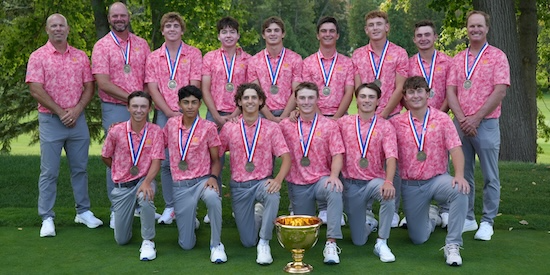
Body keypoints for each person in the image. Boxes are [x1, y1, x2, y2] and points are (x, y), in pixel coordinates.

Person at [26, 13, 103, 237]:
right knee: (49, 171)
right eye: (53, 26)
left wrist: (77, 110)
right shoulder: (38, 56)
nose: (58, 29)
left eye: (61, 25)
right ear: (48, 30)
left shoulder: (80, 56)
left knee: (80, 169)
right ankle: (47, 217)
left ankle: (83, 211)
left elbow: (89, 86)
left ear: (68, 30)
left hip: (77, 120)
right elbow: (35, 89)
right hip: (51, 120)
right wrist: (61, 112)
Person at [447, 10, 510, 241]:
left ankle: (487, 221)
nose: (475, 30)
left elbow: (500, 90)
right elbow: (451, 91)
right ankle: (469, 218)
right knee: (464, 173)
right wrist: (463, 118)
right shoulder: (458, 58)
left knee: (490, 175)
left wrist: (476, 118)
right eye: (472, 26)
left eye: (479, 26)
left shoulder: (498, 56)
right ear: (467, 28)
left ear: (487, 28)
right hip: (461, 125)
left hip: (486, 124)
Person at [392, 76, 469, 266]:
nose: (416, 95)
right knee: (418, 238)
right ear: (405, 97)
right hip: (411, 185)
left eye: (420, 91)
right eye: (411, 92)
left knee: (460, 190)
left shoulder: (442, 119)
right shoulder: (396, 123)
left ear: (428, 94)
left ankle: (453, 245)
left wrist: (459, 175)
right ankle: (432, 216)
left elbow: (456, 149)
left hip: (438, 180)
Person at [92, 1, 151, 228]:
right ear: (109, 19)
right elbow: (103, 82)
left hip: (141, 109)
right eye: (114, 16)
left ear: (128, 18)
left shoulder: (142, 45)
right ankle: (117, 208)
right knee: (117, 157)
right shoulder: (102, 46)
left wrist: (143, 103)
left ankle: (139, 205)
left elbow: (149, 79)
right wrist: (133, 100)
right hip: (115, 108)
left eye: (122, 15)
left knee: (141, 154)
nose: (119, 19)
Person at [218, 83, 291, 265]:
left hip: (261, 183)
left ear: (260, 101)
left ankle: (265, 242)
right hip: (240, 187)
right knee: (248, 241)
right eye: (246, 98)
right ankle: (258, 215)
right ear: (240, 102)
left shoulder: (271, 128)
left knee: (272, 194)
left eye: (254, 98)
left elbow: (286, 157)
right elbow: (216, 154)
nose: (250, 101)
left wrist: (278, 179)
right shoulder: (230, 128)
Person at [352, 10, 408, 227]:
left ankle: (392, 209)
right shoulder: (358, 54)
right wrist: (369, 113)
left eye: (379, 24)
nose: (375, 28)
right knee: (365, 159)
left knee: (393, 162)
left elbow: (400, 87)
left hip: (390, 116)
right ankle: (366, 210)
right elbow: (358, 87)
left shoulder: (399, 53)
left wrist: (382, 114)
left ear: (387, 27)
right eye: (371, 25)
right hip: (364, 119)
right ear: (366, 30)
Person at [145, 12, 203, 225]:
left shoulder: (194, 54)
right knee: (167, 162)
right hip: (164, 115)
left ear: (182, 30)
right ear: (162, 30)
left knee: (190, 158)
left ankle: (190, 206)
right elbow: (152, 87)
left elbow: (195, 84)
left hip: (188, 113)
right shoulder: (153, 57)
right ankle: (170, 206)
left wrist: (185, 109)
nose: (171, 29)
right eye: (167, 26)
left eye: (176, 26)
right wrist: (169, 112)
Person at [279, 82, 345, 265]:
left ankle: (331, 243)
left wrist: (333, 176)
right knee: (304, 233)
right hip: (298, 184)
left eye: (310, 98)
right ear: (296, 100)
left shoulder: (329, 125)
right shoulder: (286, 125)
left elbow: (337, 154)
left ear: (317, 99)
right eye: (302, 98)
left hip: (321, 180)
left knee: (334, 189)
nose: (306, 102)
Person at [163, 85, 226, 263]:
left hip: (203, 181)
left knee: (213, 198)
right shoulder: (171, 125)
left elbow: (216, 159)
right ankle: (191, 220)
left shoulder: (209, 127)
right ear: (179, 104)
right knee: (186, 244)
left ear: (200, 104)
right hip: (181, 186)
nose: (190, 106)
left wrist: (213, 177)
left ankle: (216, 245)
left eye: (194, 102)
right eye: (186, 102)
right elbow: (156, 142)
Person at [301, 17, 354, 225]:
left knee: (340, 160)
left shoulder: (347, 63)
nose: (328, 34)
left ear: (338, 35)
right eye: (324, 31)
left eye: (332, 31)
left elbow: (349, 91)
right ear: (318, 34)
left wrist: (336, 118)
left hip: (340, 118)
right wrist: (320, 118)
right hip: (314, 118)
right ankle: (317, 206)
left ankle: (335, 207)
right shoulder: (308, 63)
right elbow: (305, 93)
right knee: (314, 158)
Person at [101, 91, 164, 261]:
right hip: (123, 185)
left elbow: (157, 161)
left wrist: (147, 182)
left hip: (144, 180)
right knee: (121, 239)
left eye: (143, 106)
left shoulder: (156, 131)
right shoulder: (116, 131)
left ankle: (148, 241)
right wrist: (117, 170)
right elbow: (105, 156)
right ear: (128, 107)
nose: (139, 110)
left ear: (149, 109)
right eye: (135, 106)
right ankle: (128, 225)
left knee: (146, 196)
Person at [338, 83, 397, 262]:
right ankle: (369, 223)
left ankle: (382, 242)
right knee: (358, 240)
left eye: (371, 97)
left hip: (374, 182)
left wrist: (389, 181)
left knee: (388, 195)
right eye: (363, 96)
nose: (367, 100)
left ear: (378, 101)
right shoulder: (343, 123)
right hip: (351, 185)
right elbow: (322, 128)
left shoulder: (385, 126)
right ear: (357, 99)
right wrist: (296, 114)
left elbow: (391, 157)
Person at [201, 17, 251, 223]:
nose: (228, 35)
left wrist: (234, 115)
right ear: (219, 35)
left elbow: (250, 91)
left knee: (241, 160)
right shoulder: (210, 58)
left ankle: (241, 203)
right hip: (214, 114)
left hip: (241, 116)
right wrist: (216, 116)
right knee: (214, 160)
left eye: (232, 31)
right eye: (224, 32)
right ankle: (214, 203)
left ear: (238, 35)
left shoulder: (248, 59)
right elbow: (205, 88)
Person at [405, 20, 454, 228]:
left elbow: (451, 91)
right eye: (419, 35)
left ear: (435, 37)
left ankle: (445, 209)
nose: (423, 38)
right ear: (415, 39)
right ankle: (412, 209)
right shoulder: (408, 64)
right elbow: (405, 92)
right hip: (414, 123)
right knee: (412, 165)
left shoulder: (448, 62)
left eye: (428, 34)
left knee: (441, 162)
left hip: (440, 119)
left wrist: (438, 116)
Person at [247, 16, 302, 122]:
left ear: (283, 34)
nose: (272, 34)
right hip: (261, 113)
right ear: (263, 35)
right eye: (269, 31)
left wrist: (284, 116)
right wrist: (270, 118)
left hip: (289, 114)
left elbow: (297, 90)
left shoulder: (295, 59)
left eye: (276, 30)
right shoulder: (253, 61)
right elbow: (255, 92)